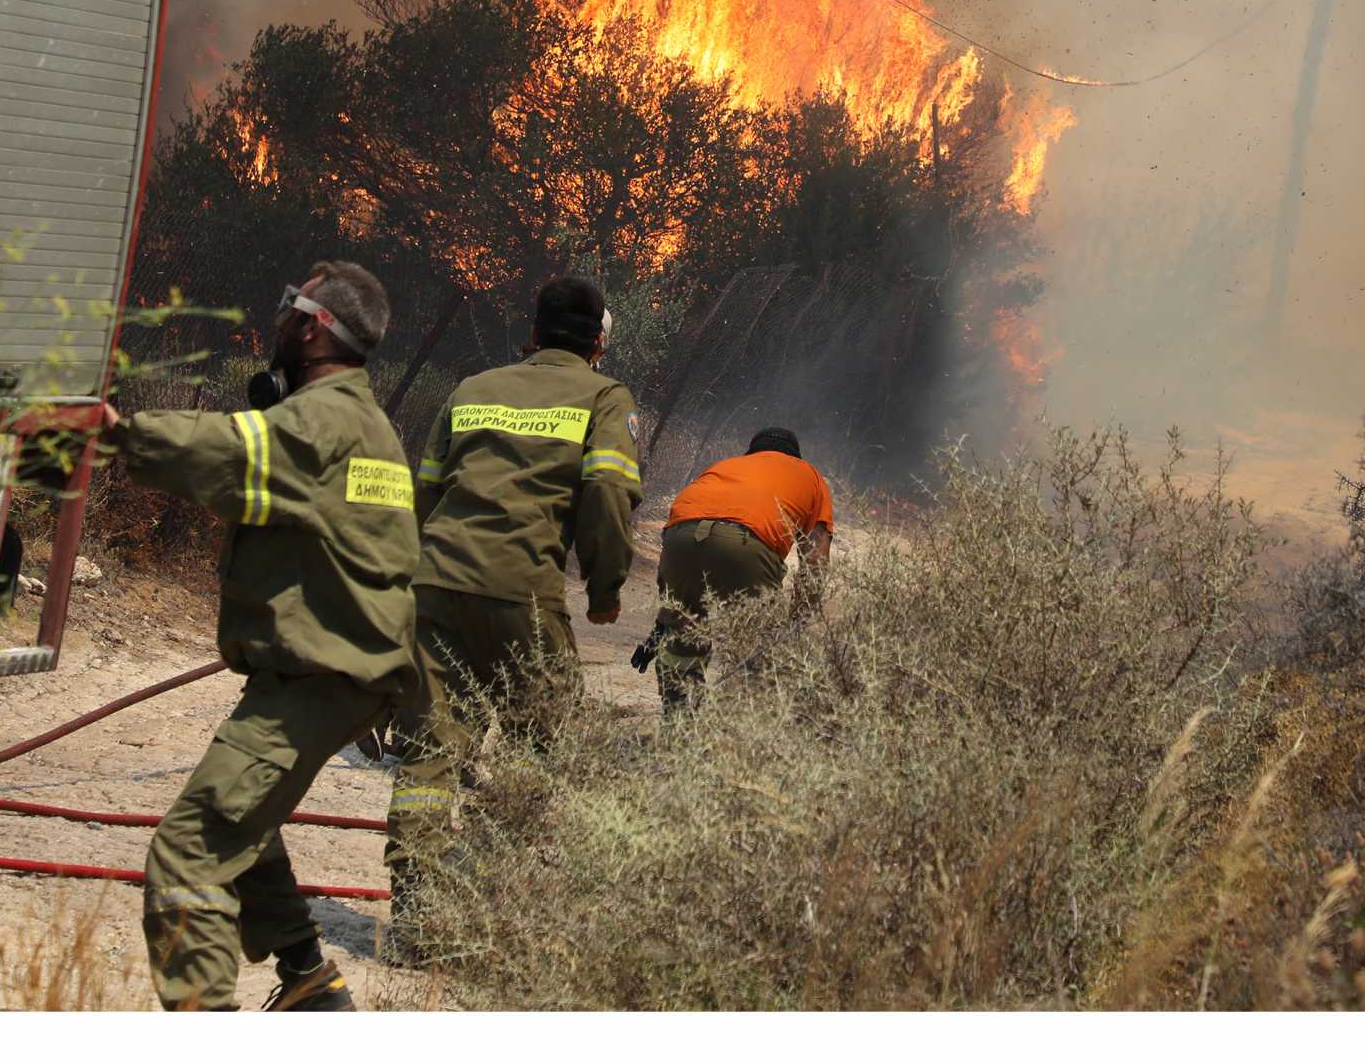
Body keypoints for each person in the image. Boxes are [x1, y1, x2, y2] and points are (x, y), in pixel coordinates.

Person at [108, 260, 417, 1013]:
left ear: (313, 326)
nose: (277, 324)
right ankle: (308, 977)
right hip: (339, 671)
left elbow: (229, 453)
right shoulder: (364, 421)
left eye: (289, 310)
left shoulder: (322, 421)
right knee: (247, 815)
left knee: (190, 850)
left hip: (320, 676)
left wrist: (119, 434)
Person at [384, 276, 642, 931]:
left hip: (436, 585)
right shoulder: (604, 396)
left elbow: (425, 495)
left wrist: (421, 577)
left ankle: (417, 914)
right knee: (539, 749)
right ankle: (494, 903)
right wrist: (606, 587)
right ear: (599, 345)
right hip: (522, 594)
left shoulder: (472, 390)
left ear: (532, 336)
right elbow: (608, 494)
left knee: (430, 753)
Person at [644, 427, 834, 712]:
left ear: (752, 451)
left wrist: (668, 617)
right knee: (757, 653)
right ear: (796, 456)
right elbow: (815, 562)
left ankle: (679, 732)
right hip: (746, 544)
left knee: (682, 639)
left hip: (680, 538)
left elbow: (680, 525)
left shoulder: (725, 466)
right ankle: (740, 739)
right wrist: (795, 623)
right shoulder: (811, 476)